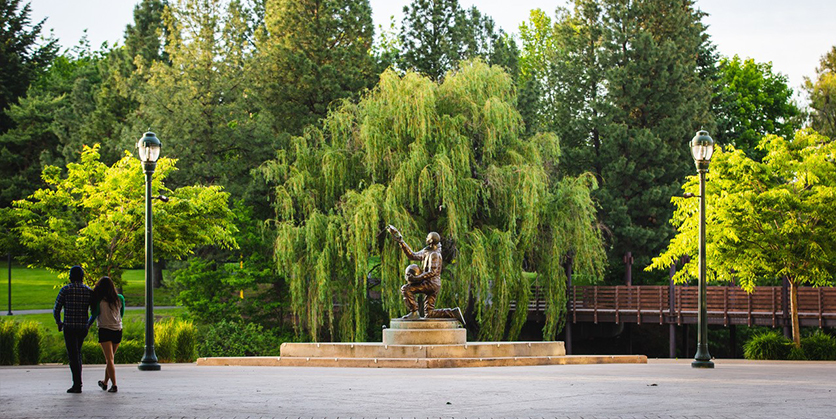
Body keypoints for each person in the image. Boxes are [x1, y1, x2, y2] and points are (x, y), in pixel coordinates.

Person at [386, 225, 466, 325]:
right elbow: (412, 255)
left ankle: (414, 312)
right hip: (431, 284)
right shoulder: (427, 251)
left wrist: (416, 278)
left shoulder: (435, 254)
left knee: (406, 289)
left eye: (427, 238)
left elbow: (432, 272)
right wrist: (401, 242)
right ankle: (453, 312)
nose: (426, 239)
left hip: (431, 284)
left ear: (431, 240)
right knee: (429, 314)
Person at [53, 265, 93, 393]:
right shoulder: (88, 290)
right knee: (77, 353)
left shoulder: (65, 290)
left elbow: (56, 309)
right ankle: (78, 383)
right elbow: (95, 310)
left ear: (70, 277)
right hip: (82, 327)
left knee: (73, 355)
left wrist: (59, 322)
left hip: (69, 326)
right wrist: (89, 323)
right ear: (82, 277)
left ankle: (77, 384)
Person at [87, 276, 125, 393]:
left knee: (109, 359)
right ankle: (105, 382)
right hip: (118, 330)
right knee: (111, 359)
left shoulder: (100, 301)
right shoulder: (119, 299)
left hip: (105, 330)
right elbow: (121, 314)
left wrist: (87, 325)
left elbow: (94, 315)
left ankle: (114, 385)